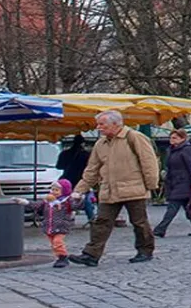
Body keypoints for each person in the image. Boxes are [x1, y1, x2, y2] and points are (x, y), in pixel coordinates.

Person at [69, 110, 160, 267]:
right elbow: (92, 170)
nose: (98, 127)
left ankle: (145, 251)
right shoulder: (100, 144)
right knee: (101, 222)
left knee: (139, 222)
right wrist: (79, 190)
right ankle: (91, 255)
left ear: (115, 124)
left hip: (133, 188)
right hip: (109, 190)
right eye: (98, 124)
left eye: (102, 124)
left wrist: (151, 185)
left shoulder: (134, 137)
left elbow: (149, 162)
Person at [153, 129, 191, 238]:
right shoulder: (171, 150)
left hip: (184, 182)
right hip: (174, 182)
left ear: (183, 138)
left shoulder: (187, 149)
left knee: (173, 206)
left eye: (175, 138)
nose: (171, 140)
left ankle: (160, 229)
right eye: (171, 138)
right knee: (188, 206)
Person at [18, 179, 81, 268]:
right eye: (52, 189)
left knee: (57, 242)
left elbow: (75, 206)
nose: (54, 192)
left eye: (57, 190)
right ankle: (59, 256)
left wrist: (78, 198)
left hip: (61, 226)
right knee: (54, 244)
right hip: (49, 226)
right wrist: (26, 202)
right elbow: (37, 205)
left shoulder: (67, 200)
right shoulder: (48, 200)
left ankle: (63, 257)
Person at [57, 135, 95, 223]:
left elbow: (58, 166)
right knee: (86, 200)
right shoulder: (86, 155)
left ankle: (62, 218)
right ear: (83, 143)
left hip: (67, 180)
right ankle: (91, 218)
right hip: (81, 180)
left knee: (64, 200)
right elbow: (91, 167)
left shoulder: (64, 153)